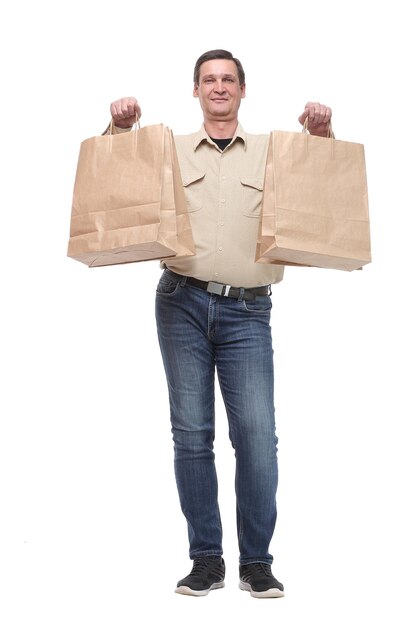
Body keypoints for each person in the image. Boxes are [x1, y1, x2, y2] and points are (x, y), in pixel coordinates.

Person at [108, 49, 332, 598]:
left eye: (228, 79)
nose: (218, 87)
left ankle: (256, 562)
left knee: (257, 437)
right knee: (192, 435)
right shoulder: (169, 150)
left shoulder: (275, 152)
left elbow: (320, 189)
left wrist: (322, 136)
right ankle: (206, 558)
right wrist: (118, 128)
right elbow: (117, 182)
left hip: (249, 311)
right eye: (208, 79)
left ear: (242, 90)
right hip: (180, 302)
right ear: (195, 90)